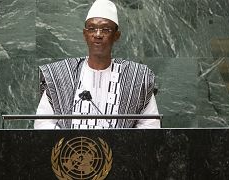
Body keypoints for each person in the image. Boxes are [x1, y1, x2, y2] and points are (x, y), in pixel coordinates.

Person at [35, 0, 160, 129]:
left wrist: (123, 146)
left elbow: (150, 125)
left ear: (116, 35)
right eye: (92, 29)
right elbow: (44, 123)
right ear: (85, 34)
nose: (98, 34)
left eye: (105, 30)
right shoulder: (60, 75)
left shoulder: (137, 78)